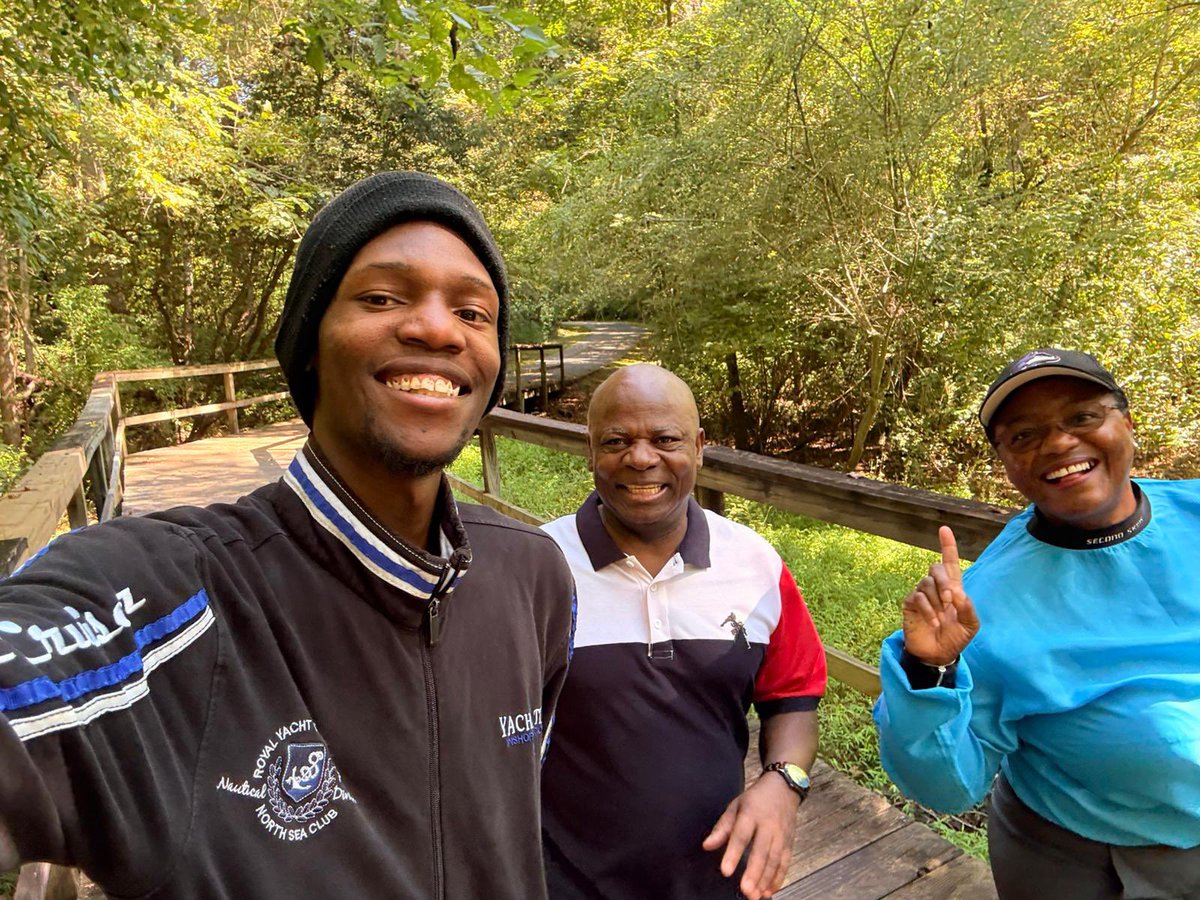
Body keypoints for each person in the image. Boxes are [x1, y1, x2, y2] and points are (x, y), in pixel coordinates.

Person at [0, 172, 576, 899]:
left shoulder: (533, 577)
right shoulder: (182, 591)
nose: (437, 329)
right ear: (309, 342)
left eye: (473, 311)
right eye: (381, 297)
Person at [873, 348, 1200, 899]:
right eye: (1024, 435)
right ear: (1006, 462)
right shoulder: (983, 605)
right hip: (1099, 861)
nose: (1057, 443)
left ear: (1128, 422)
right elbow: (946, 784)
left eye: (1081, 417)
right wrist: (930, 667)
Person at [540, 364, 827, 900]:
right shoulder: (535, 567)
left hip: (721, 873)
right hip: (563, 879)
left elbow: (792, 699)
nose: (641, 458)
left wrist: (783, 784)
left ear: (698, 447)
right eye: (616, 440)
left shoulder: (755, 564)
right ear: (590, 450)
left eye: (665, 439)